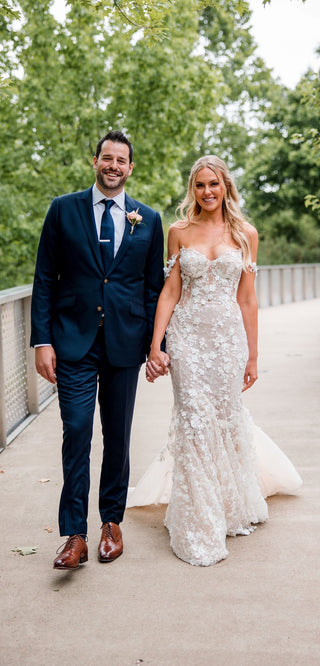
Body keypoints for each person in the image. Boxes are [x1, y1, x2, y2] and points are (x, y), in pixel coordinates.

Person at [127, 155, 302, 567]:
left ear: (226, 188)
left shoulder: (245, 234)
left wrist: (253, 355)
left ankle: (227, 502)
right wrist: (157, 346)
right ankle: (197, 518)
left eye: (214, 185)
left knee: (224, 416)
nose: (207, 192)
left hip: (227, 340)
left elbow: (247, 298)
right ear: (193, 189)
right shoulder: (179, 232)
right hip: (186, 338)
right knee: (193, 418)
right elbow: (169, 292)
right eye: (200, 185)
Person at [31, 130, 166, 570]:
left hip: (125, 344)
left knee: (118, 437)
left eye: (120, 160)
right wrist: (42, 340)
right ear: (95, 162)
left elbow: (152, 289)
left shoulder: (148, 219)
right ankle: (74, 535)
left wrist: (154, 345)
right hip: (72, 341)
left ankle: (111, 522)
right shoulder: (62, 209)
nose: (113, 166)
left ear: (130, 168)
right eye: (106, 158)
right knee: (76, 431)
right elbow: (44, 277)